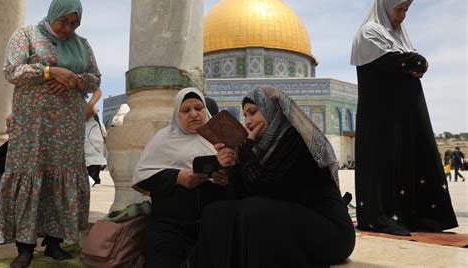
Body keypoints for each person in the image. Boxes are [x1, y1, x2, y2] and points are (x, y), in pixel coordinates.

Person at [192, 86, 355, 267]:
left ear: (273, 110)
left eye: (253, 112)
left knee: (254, 209)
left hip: (331, 233)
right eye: (245, 115)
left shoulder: (296, 139)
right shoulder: (263, 149)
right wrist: (232, 166)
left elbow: (265, 189)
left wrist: (245, 150)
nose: (248, 121)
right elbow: (242, 195)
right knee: (216, 211)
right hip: (295, 224)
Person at [0, 0, 101, 267]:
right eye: (63, 21)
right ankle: (25, 246)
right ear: (52, 13)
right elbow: (11, 70)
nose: (67, 29)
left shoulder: (82, 45)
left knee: (61, 176)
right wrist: (49, 72)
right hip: (33, 124)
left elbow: (95, 78)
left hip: (67, 126)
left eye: (73, 24)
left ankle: (55, 241)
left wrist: (74, 79)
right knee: (30, 172)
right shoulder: (27, 35)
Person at [350, 0, 457, 235]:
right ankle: (381, 217)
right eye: (399, 9)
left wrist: (414, 63)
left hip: (401, 116)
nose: (402, 15)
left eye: (405, 10)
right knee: (383, 162)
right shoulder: (370, 33)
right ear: (385, 6)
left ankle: (411, 215)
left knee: (408, 160)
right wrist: (414, 62)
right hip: (381, 117)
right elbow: (400, 62)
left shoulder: (397, 36)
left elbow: (413, 62)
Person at [132, 87, 229, 268]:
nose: (194, 114)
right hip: (169, 226)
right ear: (177, 114)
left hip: (210, 227)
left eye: (199, 108)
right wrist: (178, 177)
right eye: (186, 110)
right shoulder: (163, 139)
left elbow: (240, 180)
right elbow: (143, 177)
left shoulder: (220, 140)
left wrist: (225, 180)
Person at [84, 88, 107, 186]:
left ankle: (94, 181)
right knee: (92, 168)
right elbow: (104, 134)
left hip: (92, 148)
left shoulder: (96, 123)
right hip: (94, 148)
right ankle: (94, 181)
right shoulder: (97, 123)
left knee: (92, 168)